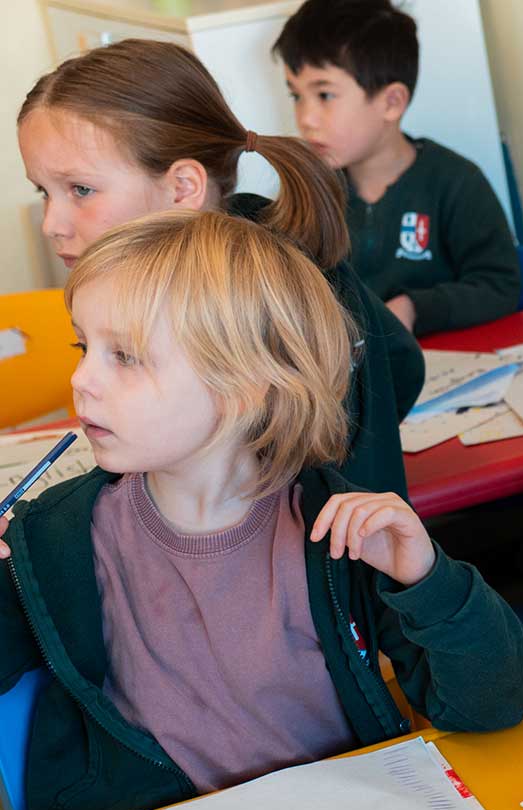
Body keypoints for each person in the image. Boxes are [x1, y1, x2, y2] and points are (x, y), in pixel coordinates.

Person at [0, 210, 523, 810]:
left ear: (245, 387)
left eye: (125, 356)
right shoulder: (54, 537)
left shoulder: (340, 531)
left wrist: (427, 580)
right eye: (82, 348)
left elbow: (489, 705)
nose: (81, 380)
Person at [17, 38, 424, 497]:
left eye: (81, 190)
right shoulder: (255, 238)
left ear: (182, 187)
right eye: (44, 191)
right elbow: (403, 362)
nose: (51, 224)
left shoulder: (250, 289)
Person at [276, 0, 520, 335]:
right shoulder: (308, 192)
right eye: (296, 96)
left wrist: (415, 308)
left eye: (325, 95)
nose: (306, 119)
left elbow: (500, 286)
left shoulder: (456, 182)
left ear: (391, 102)